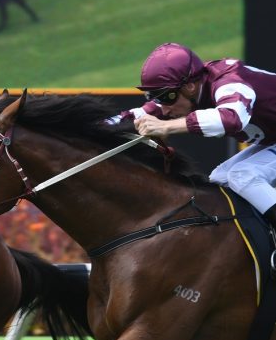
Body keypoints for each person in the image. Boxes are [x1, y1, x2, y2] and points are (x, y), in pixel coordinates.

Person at [117, 42, 276, 227]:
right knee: (220, 180)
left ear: (190, 86)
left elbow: (230, 119)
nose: (164, 109)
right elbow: (131, 116)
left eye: (166, 97)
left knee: (243, 175)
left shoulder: (230, 81)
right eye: (156, 97)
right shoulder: (187, 89)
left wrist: (166, 126)